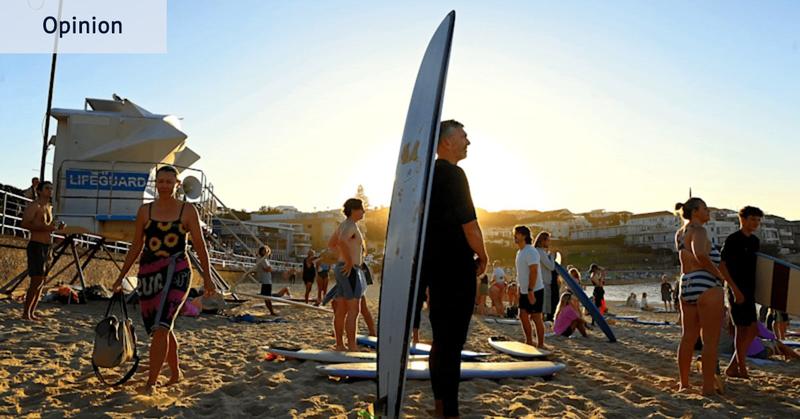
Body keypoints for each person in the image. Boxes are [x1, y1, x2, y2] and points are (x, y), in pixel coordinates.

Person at [112, 165, 216, 390]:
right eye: (161, 181)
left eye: (170, 182)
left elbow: (199, 245)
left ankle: (151, 383)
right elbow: (136, 245)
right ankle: (176, 373)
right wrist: (120, 276)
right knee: (161, 328)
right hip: (149, 274)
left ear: (177, 185)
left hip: (178, 272)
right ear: (155, 184)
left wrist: (207, 277)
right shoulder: (145, 211)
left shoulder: (187, 211)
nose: (165, 186)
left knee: (162, 326)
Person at [421, 120, 488, 418]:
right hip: (456, 268)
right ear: (447, 141)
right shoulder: (453, 173)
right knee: (452, 344)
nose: (468, 142)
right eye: (464, 136)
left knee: (441, 341)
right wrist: (483, 255)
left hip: (434, 268)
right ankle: (449, 411)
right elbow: (469, 224)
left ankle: (440, 406)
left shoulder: (428, 176)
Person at [674, 197, 743, 395]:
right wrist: (720, 276)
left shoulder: (681, 233)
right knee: (710, 341)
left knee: (688, 337)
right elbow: (701, 255)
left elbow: (687, 258)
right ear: (695, 211)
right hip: (706, 285)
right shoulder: (699, 231)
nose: (708, 212)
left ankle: (684, 384)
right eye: (705, 209)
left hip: (686, 285)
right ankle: (706, 388)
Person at [719, 205, 763, 379]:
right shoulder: (733, 240)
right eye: (753, 219)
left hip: (750, 291)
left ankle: (733, 366)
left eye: (758, 220)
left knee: (751, 330)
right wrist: (735, 290)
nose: (756, 223)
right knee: (741, 330)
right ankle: (741, 368)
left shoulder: (754, 241)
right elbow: (722, 266)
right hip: (736, 290)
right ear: (742, 219)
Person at [20, 181, 62, 320]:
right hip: (36, 245)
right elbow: (25, 223)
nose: (50, 191)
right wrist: (45, 228)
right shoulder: (35, 206)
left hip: (47, 246)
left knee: (42, 282)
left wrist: (57, 228)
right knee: (36, 281)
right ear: (39, 191)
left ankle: (32, 311)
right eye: (47, 188)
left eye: (51, 188)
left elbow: (49, 227)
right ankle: (26, 313)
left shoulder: (49, 207)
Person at [330, 198, 367, 351]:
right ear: (354, 210)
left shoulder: (343, 225)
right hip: (349, 269)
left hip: (342, 268)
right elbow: (342, 241)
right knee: (353, 309)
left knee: (342, 309)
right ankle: (351, 346)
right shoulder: (350, 225)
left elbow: (332, 243)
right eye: (362, 209)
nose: (364, 211)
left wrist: (343, 258)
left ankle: (340, 344)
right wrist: (349, 261)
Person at [514, 225, 545, 348]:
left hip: (535, 289)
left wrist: (531, 290)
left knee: (536, 317)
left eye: (517, 234)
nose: (515, 236)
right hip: (524, 290)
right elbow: (521, 273)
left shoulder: (531, 251)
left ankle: (541, 344)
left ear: (525, 236)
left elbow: (534, 271)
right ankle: (529, 341)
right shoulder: (519, 252)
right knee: (522, 315)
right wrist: (519, 289)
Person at [533, 231, 556, 322]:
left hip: (539, 281)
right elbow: (551, 267)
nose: (549, 243)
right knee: (542, 307)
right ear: (543, 241)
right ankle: (540, 326)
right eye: (548, 240)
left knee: (540, 307)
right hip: (543, 282)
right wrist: (552, 257)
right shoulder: (540, 252)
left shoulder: (536, 251)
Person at [256, 245, 277, 316]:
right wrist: (268, 269)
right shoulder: (262, 259)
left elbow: (269, 269)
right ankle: (272, 312)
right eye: (263, 250)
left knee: (266, 297)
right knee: (267, 297)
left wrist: (268, 269)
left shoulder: (265, 259)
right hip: (266, 281)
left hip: (267, 280)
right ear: (261, 251)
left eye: (265, 251)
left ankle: (271, 311)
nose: (265, 252)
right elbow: (269, 269)